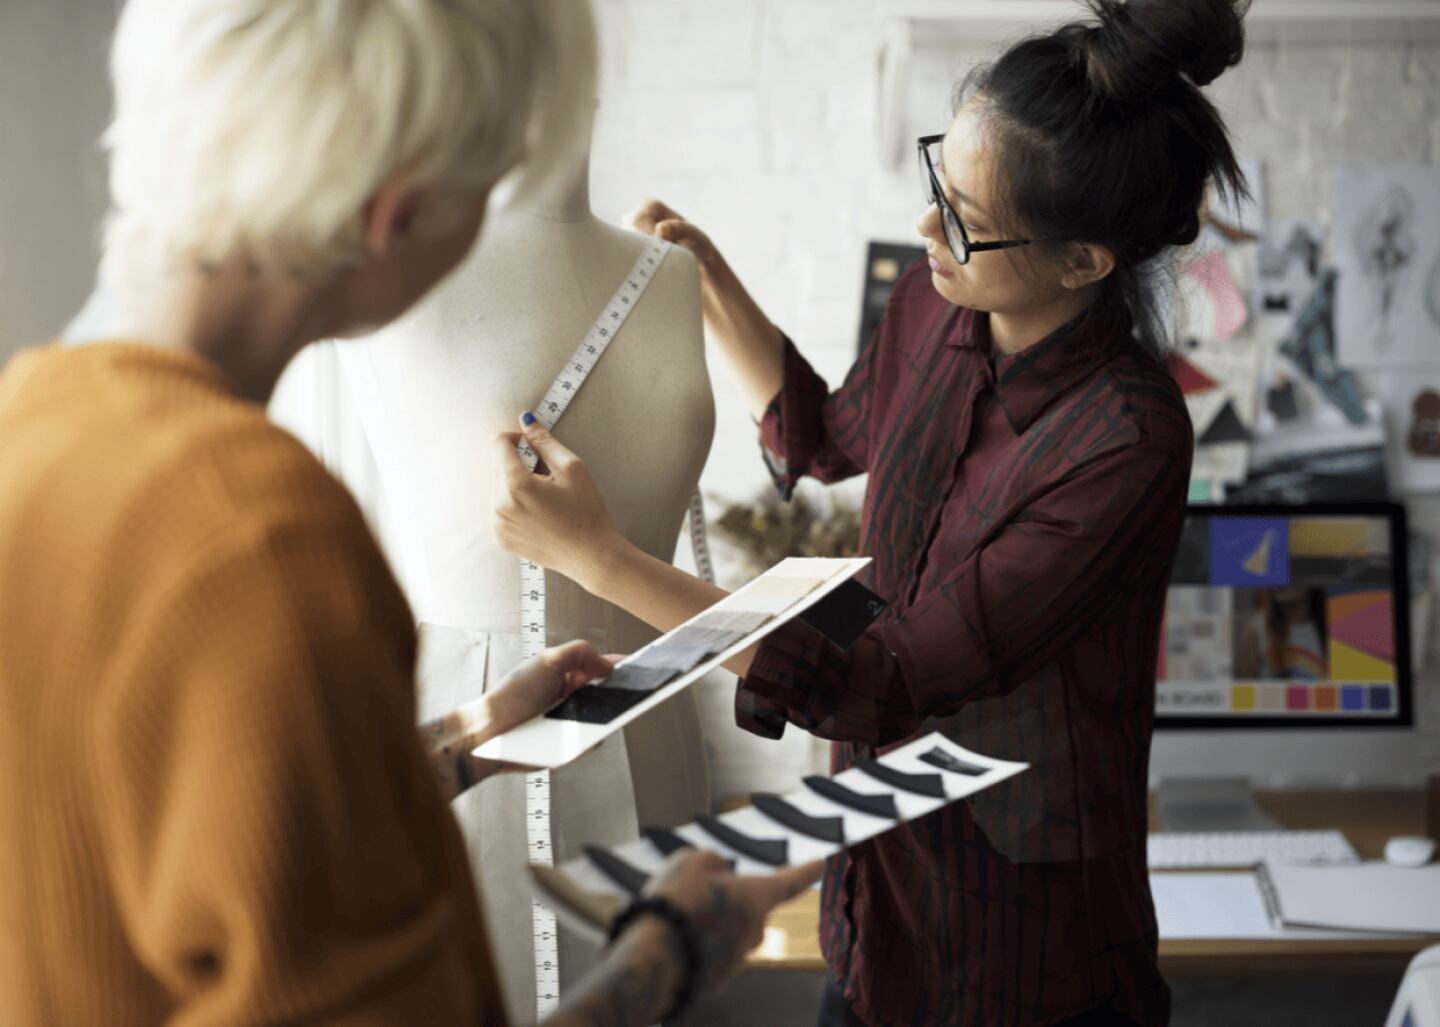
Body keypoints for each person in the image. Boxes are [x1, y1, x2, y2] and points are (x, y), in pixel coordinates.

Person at [0, 1, 818, 1024]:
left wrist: (457, 746)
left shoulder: (29, 429)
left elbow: (229, 862)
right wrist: (669, 953)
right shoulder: (263, 539)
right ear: (401, 210)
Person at [492, 1, 1252, 1023]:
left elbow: (878, 678)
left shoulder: (1126, 441)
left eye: (966, 218)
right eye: (941, 184)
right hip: (871, 911)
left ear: (1083, 261)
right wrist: (707, 278)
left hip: (1025, 958)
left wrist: (599, 557)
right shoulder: (939, 303)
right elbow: (825, 433)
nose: (929, 228)